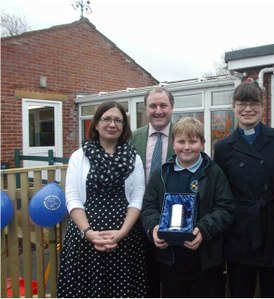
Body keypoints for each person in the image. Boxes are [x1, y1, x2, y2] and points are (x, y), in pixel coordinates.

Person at [57, 101, 148, 297]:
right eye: (106, 119)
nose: (112, 124)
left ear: (124, 127)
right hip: (85, 241)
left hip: (125, 240)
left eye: (118, 120)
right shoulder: (78, 157)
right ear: (96, 124)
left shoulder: (134, 157)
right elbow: (72, 198)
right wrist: (88, 232)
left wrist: (122, 232)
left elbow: (137, 197)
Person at [213, 81, 274, 297]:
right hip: (239, 232)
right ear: (233, 106)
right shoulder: (222, 147)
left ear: (262, 106)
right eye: (242, 103)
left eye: (253, 103)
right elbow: (221, 194)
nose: (248, 109)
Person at [141, 117, 235, 297]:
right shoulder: (162, 173)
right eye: (181, 141)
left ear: (202, 143)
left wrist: (203, 229)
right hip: (170, 259)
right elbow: (149, 206)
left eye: (193, 141)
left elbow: (226, 208)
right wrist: (154, 227)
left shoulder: (214, 173)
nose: (186, 147)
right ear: (173, 142)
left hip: (205, 259)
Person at [131, 86, 175, 297]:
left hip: (173, 223)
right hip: (138, 221)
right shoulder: (132, 138)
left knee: (170, 282)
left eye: (163, 105)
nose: (158, 110)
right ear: (146, 109)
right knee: (144, 281)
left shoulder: (184, 135)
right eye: (153, 106)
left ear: (172, 108)